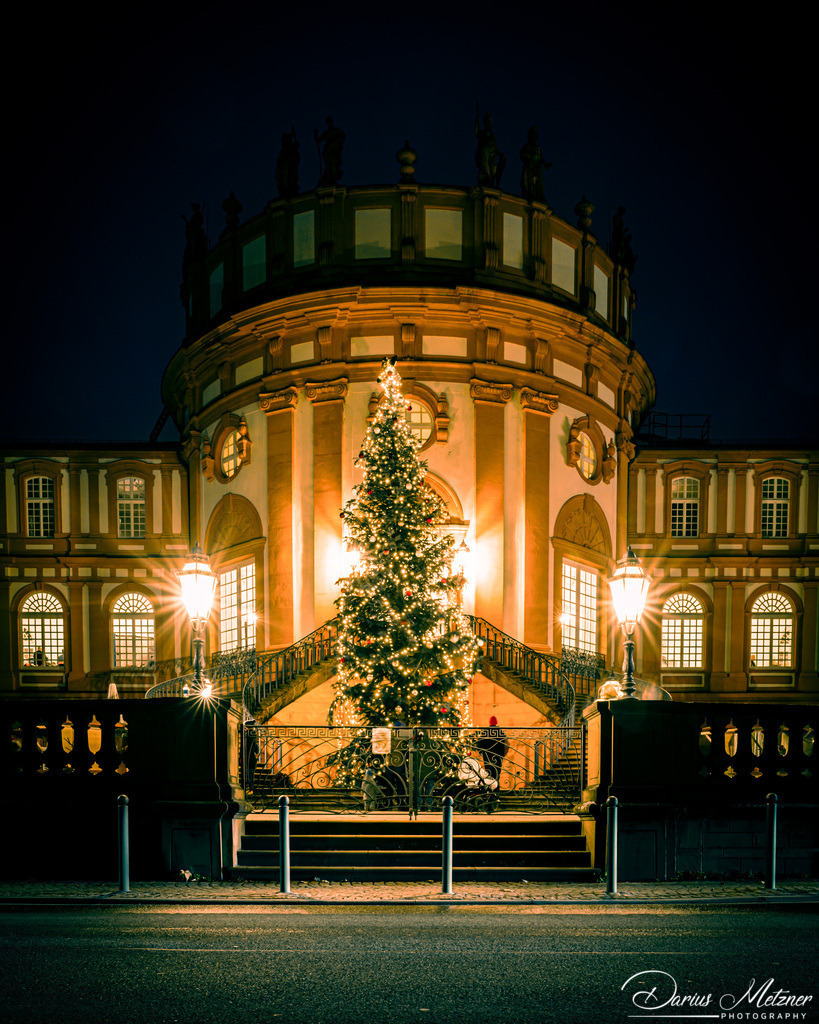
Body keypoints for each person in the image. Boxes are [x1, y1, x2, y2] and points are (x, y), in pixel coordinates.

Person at [476, 716, 508, 784]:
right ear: (496, 722)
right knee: (497, 772)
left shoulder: (485, 732)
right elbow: (506, 744)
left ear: (489, 722)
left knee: (488, 772)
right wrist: (503, 754)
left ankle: (490, 789)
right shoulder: (500, 732)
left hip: (487, 755)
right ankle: (496, 789)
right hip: (498, 755)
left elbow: (479, 743)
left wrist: (481, 753)